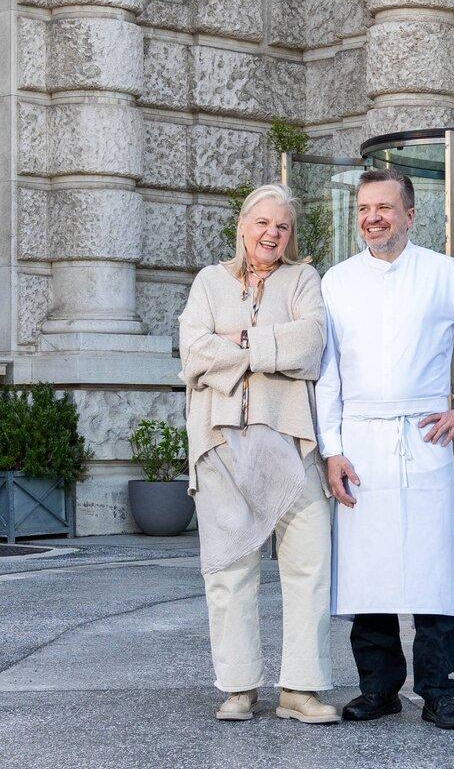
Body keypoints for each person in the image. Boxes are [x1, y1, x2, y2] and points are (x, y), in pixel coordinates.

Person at [317, 167, 454, 730]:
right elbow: (326, 375)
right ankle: (378, 689)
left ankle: (437, 692)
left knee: (431, 575)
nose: (372, 218)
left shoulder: (444, 274)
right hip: (359, 441)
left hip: (421, 438)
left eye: (384, 207)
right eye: (363, 209)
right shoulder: (336, 281)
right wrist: (331, 449)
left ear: (410, 214)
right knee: (367, 574)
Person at [179, 183, 339, 725]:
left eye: (283, 226)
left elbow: (311, 344)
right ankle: (238, 686)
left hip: (292, 444)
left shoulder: (304, 280)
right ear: (243, 226)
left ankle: (300, 688)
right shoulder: (208, 282)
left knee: (309, 567)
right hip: (221, 442)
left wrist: (241, 342)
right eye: (262, 223)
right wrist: (271, 346)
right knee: (229, 570)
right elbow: (193, 350)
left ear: (291, 235)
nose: (272, 234)